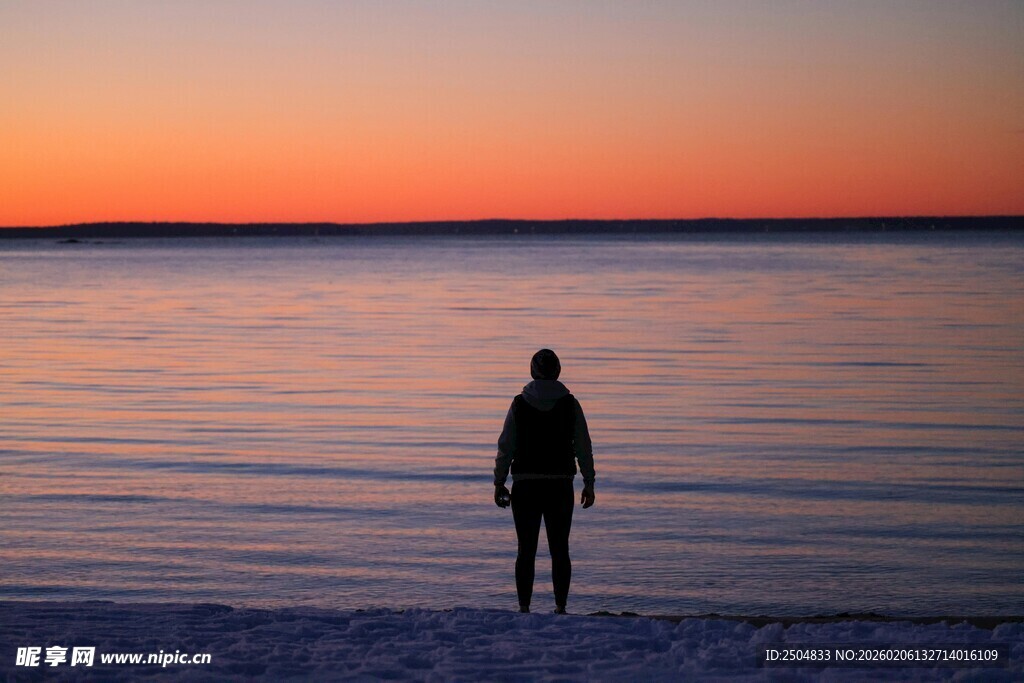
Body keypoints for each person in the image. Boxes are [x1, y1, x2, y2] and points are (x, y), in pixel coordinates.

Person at [494, 349, 595, 614]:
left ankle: (524, 608)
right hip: (560, 485)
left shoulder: (519, 403)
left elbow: (506, 446)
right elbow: (583, 446)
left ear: (532, 371)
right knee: (560, 549)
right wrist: (589, 481)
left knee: (525, 551)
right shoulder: (570, 404)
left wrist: (499, 481)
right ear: (557, 371)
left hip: (525, 485)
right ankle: (560, 607)